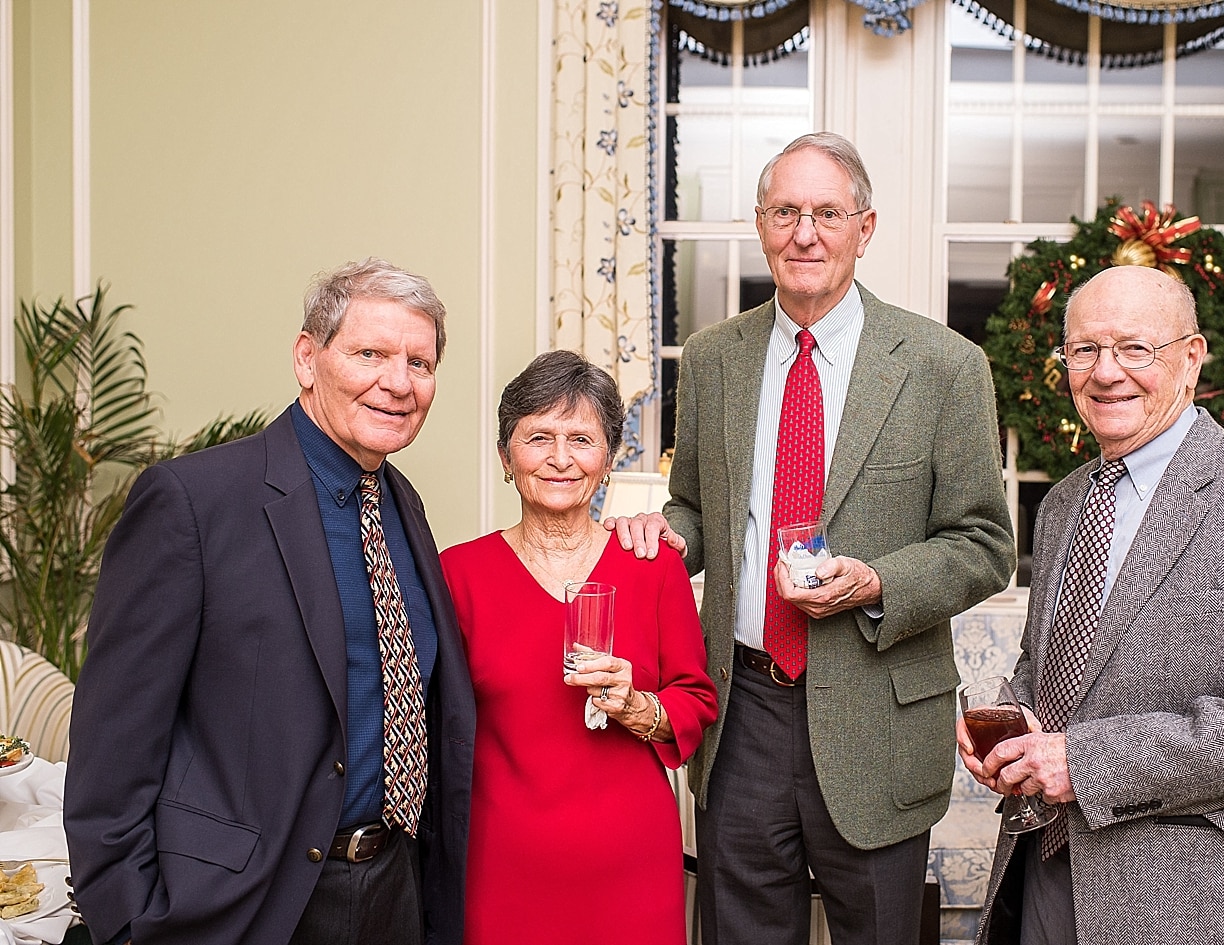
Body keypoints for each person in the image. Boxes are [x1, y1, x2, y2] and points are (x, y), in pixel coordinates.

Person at [607, 132, 1016, 945]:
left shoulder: (943, 365)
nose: (805, 232)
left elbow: (983, 543)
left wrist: (877, 582)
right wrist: (666, 534)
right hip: (743, 704)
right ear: (760, 224)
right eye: (786, 211)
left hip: (878, 712)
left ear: (865, 228)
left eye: (827, 213)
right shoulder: (717, 358)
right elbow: (693, 506)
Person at [64, 258, 476, 945]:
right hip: (249, 905)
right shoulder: (193, 503)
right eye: (369, 353)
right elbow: (112, 754)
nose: (398, 382)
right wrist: (131, 923)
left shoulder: (402, 504)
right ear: (306, 358)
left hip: (394, 890)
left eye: (420, 362)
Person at [961, 264, 1224, 945]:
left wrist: (1082, 761)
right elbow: (1051, 668)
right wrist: (1021, 725)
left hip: (1188, 896)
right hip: (1043, 868)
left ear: (1192, 358)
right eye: (1085, 349)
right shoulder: (1062, 503)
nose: (1106, 371)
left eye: (1134, 348)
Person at [440, 350, 718, 945]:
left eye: (581, 439)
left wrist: (638, 706)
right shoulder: (457, 575)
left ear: (609, 457)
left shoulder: (653, 567)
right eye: (538, 437)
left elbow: (695, 701)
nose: (560, 459)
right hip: (499, 865)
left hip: (630, 866)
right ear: (505, 456)